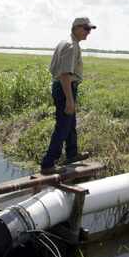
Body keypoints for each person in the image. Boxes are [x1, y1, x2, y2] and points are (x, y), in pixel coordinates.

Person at [40, 17, 96, 174]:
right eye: (86, 29)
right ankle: (48, 163)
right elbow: (65, 75)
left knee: (70, 123)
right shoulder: (71, 46)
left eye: (90, 29)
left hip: (64, 87)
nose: (88, 32)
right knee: (63, 126)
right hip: (65, 88)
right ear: (77, 28)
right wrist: (70, 100)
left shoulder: (67, 42)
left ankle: (72, 154)